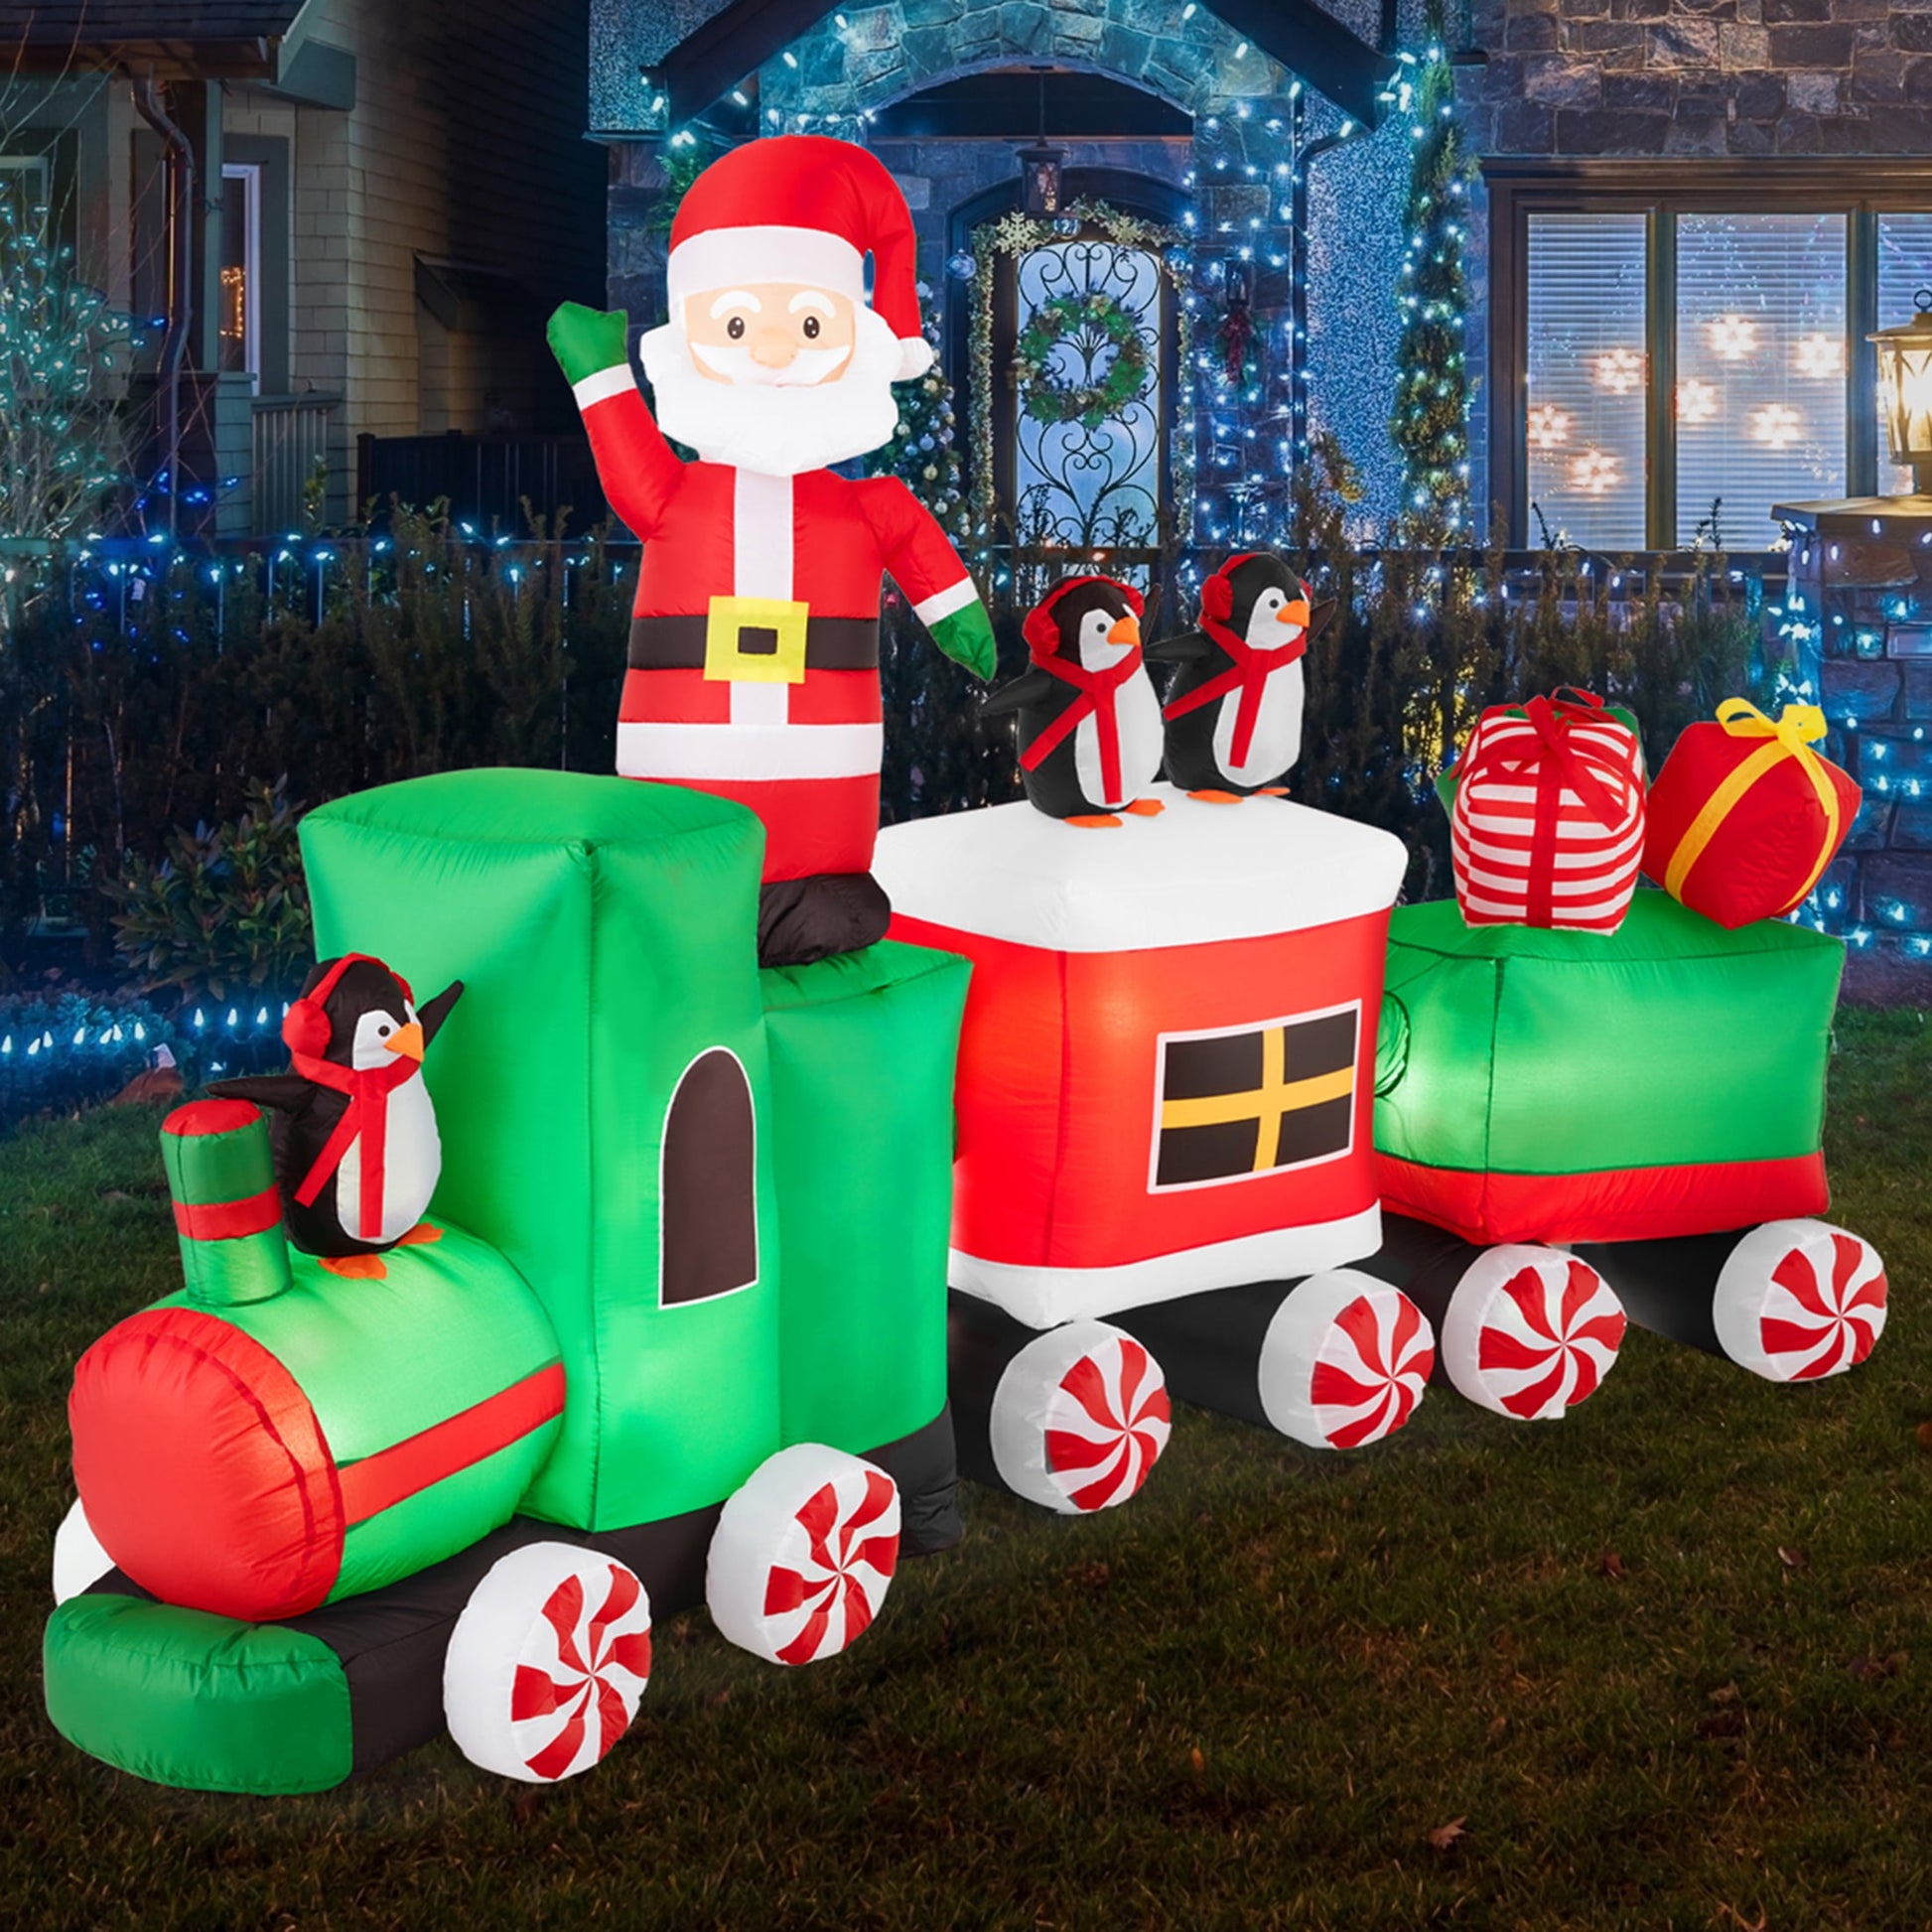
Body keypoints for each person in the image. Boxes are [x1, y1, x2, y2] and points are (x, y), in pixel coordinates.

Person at [548, 135, 995, 965]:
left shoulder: (861, 506)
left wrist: (957, 615)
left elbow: (909, 536)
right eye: (738, 324)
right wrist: (599, 378)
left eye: (812, 324)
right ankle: (681, 898)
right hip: (684, 748)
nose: (777, 351)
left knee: (828, 889)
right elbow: (632, 475)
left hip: (826, 768)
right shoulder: (682, 497)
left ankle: (791, 899)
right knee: (681, 848)